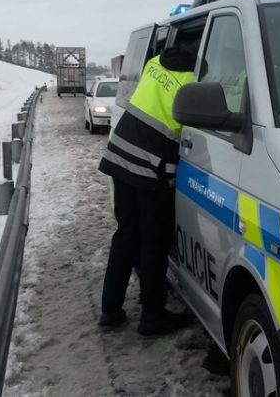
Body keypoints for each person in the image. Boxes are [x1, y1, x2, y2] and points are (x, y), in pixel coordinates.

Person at [97, 37, 199, 336]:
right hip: (149, 164)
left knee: (126, 234)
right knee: (154, 241)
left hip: (120, 154)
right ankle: (152, 317)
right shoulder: (193, 82)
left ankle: (110, 310)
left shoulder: (155, 63)